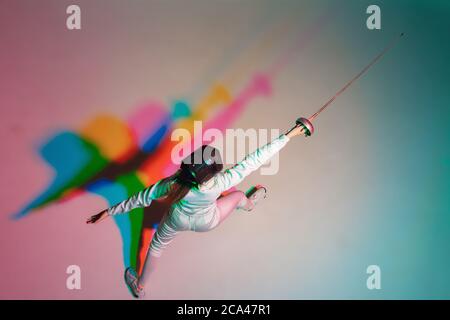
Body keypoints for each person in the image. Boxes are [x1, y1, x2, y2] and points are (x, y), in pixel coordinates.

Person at [87, 123, 306, 298]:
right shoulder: (221, 182)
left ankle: (140, 288)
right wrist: (289, 135)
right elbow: (256, 159)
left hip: (177, 219)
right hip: (206, 221)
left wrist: (107, 212)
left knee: (157, 245)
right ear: (211, 174)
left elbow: (140, 198)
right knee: (238, 196)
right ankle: (250, 205)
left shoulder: (173, 183)